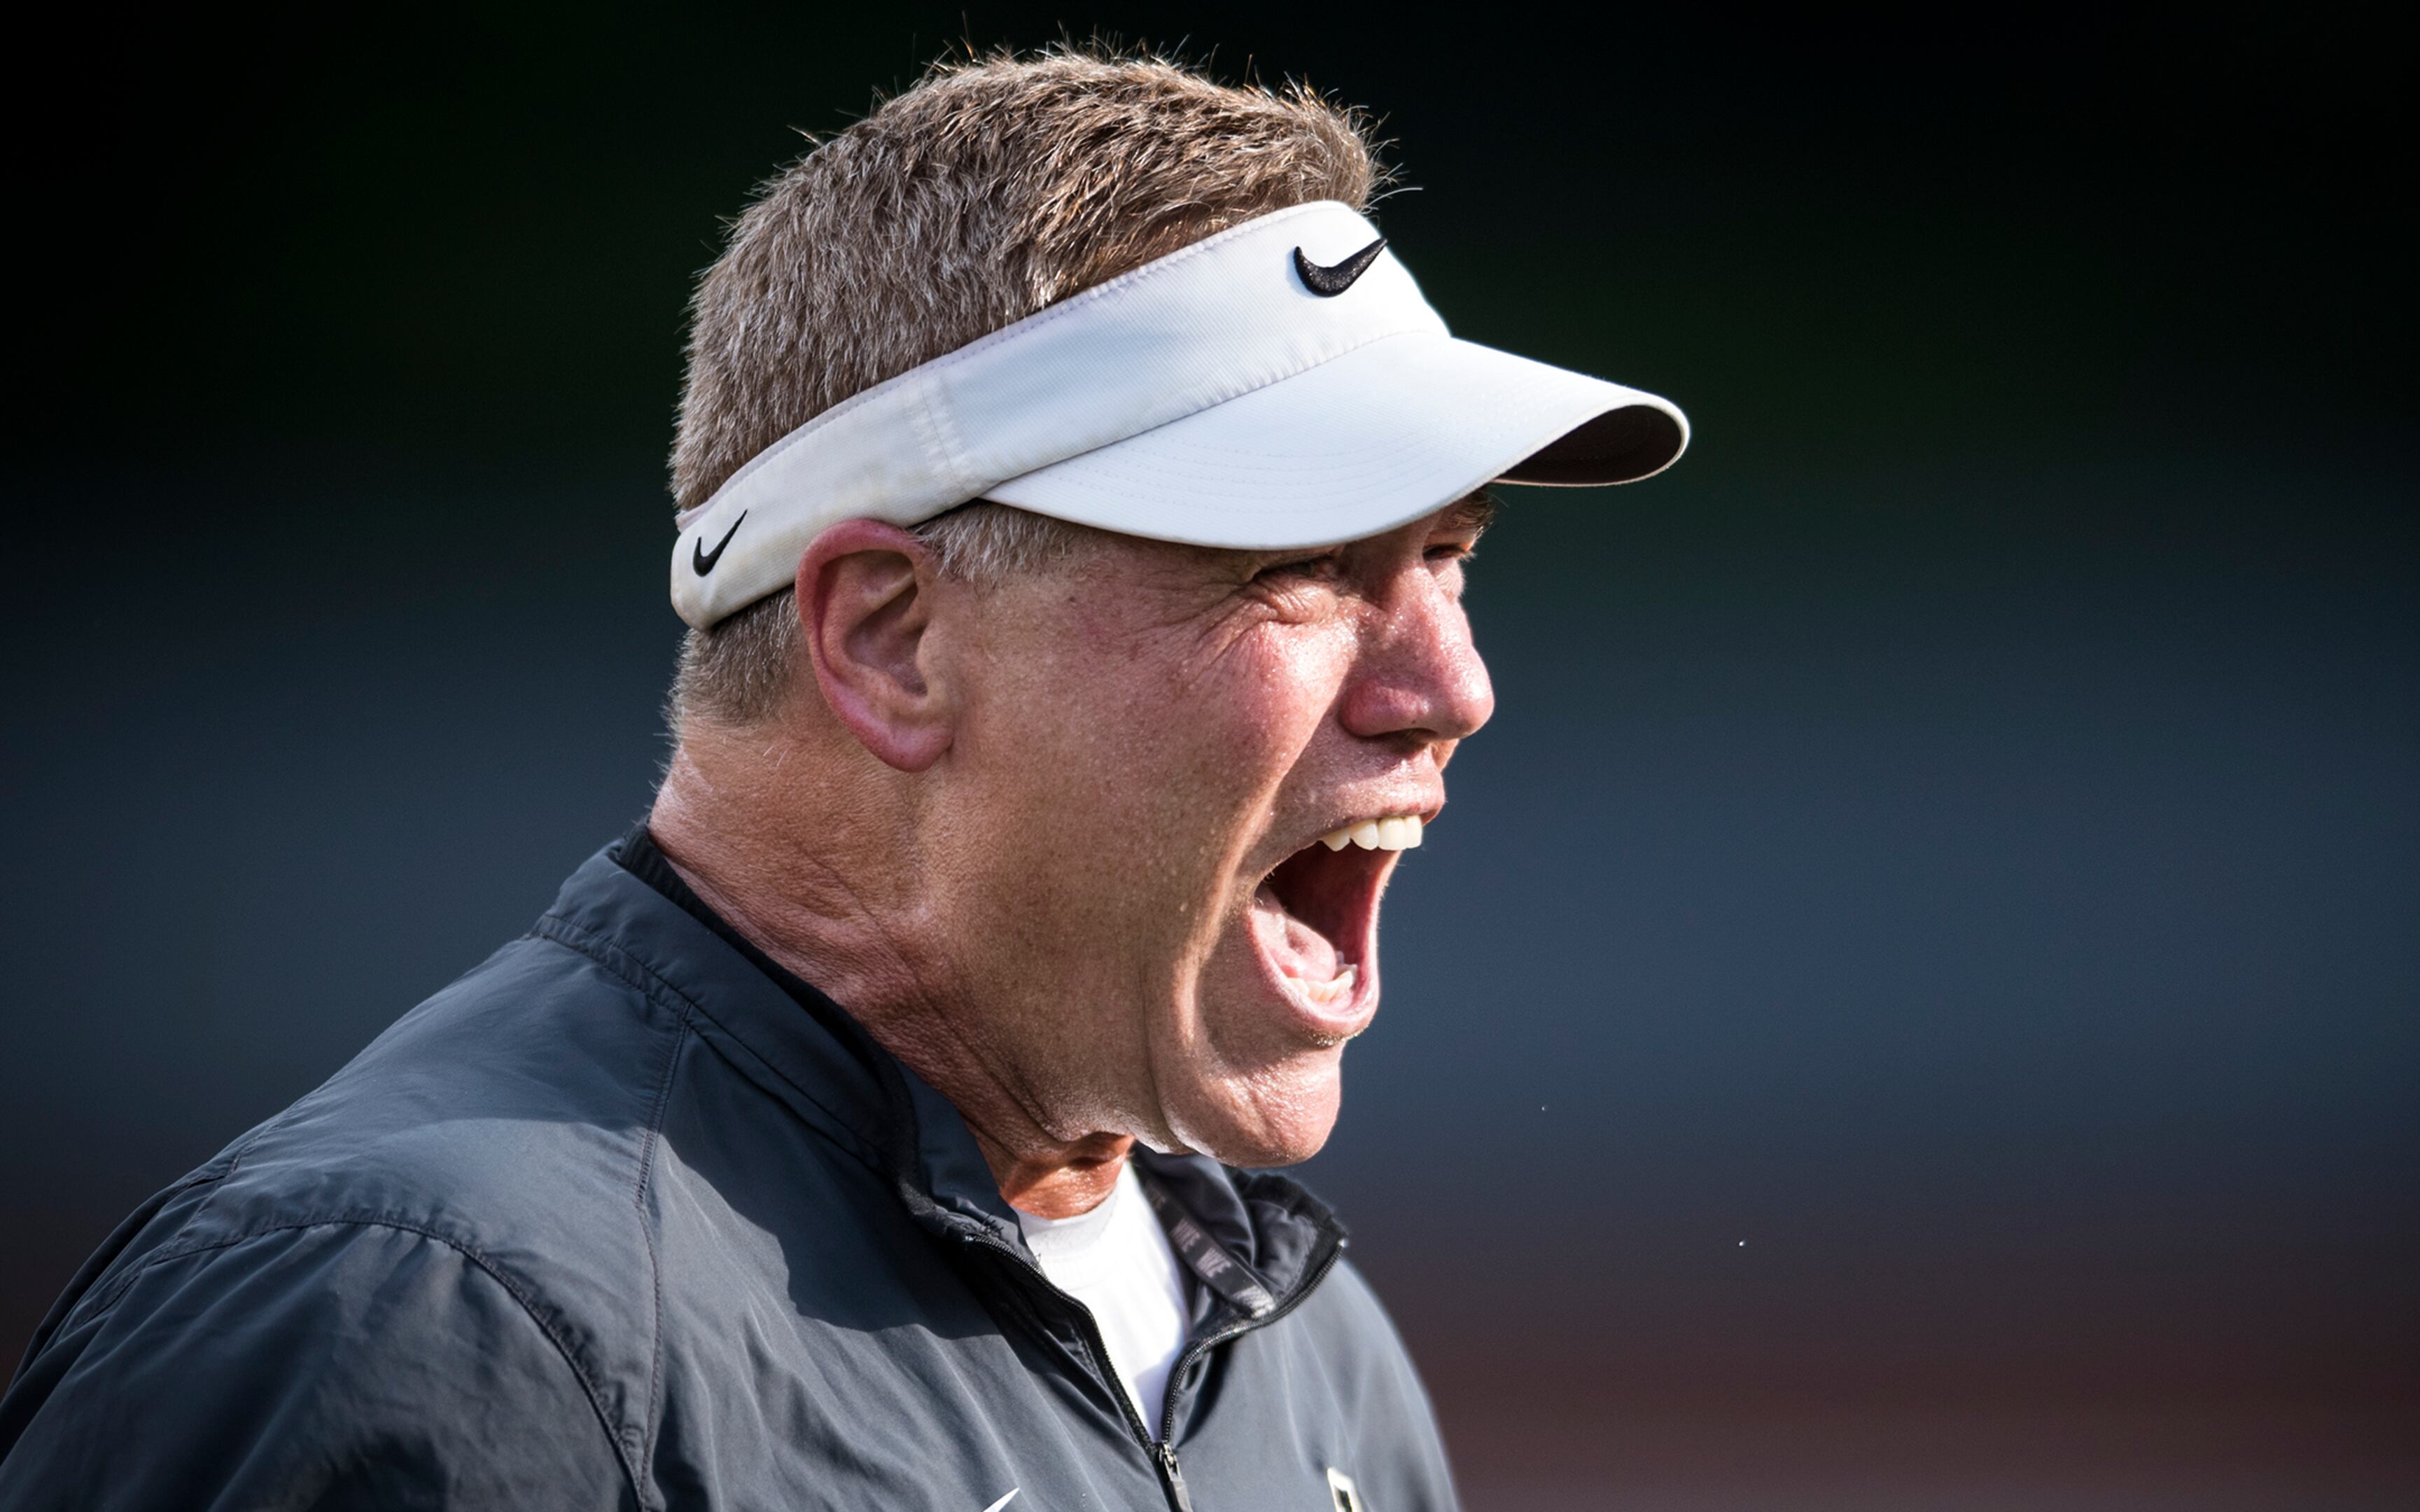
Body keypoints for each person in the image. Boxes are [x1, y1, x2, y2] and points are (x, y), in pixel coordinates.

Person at [0, 50, 1684, 1510]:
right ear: (888, 640)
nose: (1448, 688)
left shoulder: (1299, 1346)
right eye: (1299, 569)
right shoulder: (427, 1318)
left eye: (1450, 557)